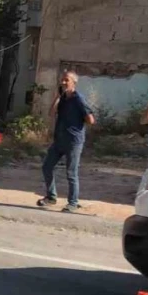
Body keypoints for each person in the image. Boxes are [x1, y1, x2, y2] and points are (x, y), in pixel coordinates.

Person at [38, 70, 95, 213]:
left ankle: (73, 203)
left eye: (66, 80)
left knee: (71, 173)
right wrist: (57, 97)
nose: (63, 82)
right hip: (59, 140)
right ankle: (51, 197)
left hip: (73, 141)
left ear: (74, 82)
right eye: (62, 80)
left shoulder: (78, 99)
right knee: (47, 166)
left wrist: (77, 123)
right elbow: (51, 113)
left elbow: (91, 120)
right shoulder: (63, 98)